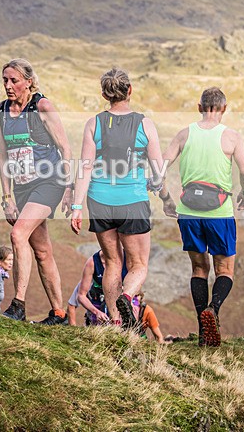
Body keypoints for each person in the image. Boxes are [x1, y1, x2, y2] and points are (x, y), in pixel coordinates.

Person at [70, 67, 165, 330]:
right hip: (132, 200)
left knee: (112, 261)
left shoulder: (95, 123)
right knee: (138, 265)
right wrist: (156, 184)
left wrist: (76, 207)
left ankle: (114, 319)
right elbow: (158, 170)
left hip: (99, 201)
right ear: (130, 91)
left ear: (104, 94)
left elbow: (85, 168)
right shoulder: (144, 124)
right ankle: (127, 296)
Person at [158, 87, 244, 347]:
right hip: (219, 212)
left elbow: (159, 169)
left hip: (189, 212)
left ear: (199, 107)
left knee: (199, 269)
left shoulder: (183, 134)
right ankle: (214, 309)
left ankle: (203, 332)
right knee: (225, 270)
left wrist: (166, 199)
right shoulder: (232, 137)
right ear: (224, 108)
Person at [0, 59, 74, 324]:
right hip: (23, 186)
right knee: (42, 251)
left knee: (18, 234)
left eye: (14, 80)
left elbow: (65, 148)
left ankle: (18, 306)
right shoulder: (0, 112)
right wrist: (6, 197)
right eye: (5, 80)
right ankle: (59, 313)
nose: (8, 85)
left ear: (28, 81)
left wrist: (69, 188)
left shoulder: (42, 107)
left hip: (49, 182)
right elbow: (3, 156)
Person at [75, 249, 128, 326]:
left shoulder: (127, 258)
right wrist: (96, 312)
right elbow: (81, 296)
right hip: (98, 306)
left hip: (120, 305)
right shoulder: (92, 262)